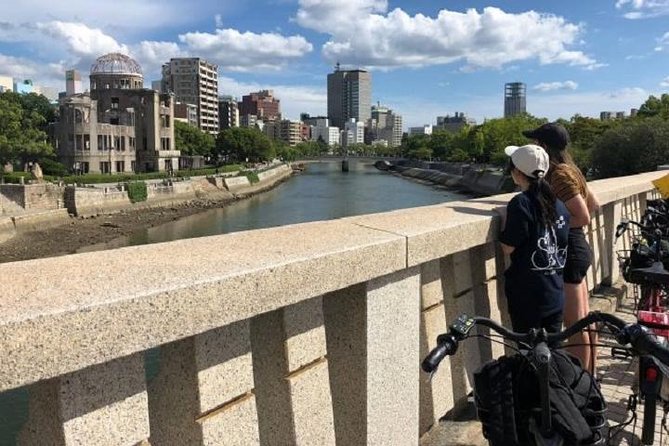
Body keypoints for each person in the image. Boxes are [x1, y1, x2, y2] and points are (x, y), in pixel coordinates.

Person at [522, 123, 600, 373]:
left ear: (543, 146)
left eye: (535, 143)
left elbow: (584, 215)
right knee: (585, 321)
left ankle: (582, 384)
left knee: (574, 325)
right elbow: (595, 204)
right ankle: (590, 380)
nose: (533, 147)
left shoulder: (559, 174)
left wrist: (555, 226)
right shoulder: (572, 169)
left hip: (571, 252)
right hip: (578, 249)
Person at [498, 144, 570, 335]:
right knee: (553, 351)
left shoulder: (521, 203)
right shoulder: (560, 205)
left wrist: (505, 218)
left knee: (528, 353)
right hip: (555, 291)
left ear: (517, 172)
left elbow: (508, 247)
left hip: (528, 294)